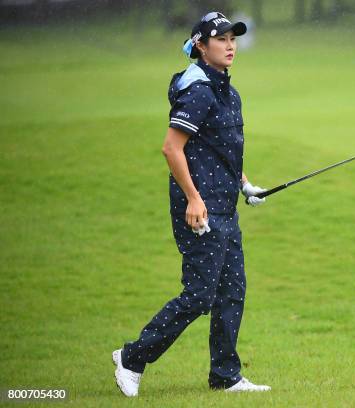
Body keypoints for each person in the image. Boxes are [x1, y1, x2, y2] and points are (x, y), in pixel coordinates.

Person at [112, 11, 271, 397]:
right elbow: (172, 148)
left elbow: (221, 149)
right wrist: (194, 198)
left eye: (233, 38)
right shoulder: (197, 91)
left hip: (224, 205)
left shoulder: (228, 93)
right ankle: (132, 358)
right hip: (199, 209)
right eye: (221, 39)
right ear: (201, 46)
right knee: (200, 295)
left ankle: (225, 376)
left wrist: (245, 184)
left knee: (233, 291)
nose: (230, 45)